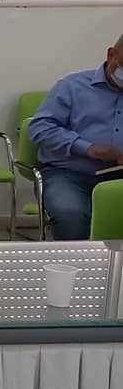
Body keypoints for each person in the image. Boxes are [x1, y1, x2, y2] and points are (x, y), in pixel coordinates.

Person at [29, 34, 123, 240]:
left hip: (119, 176)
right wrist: (87, 148)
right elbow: (40, 128)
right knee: (71, 215)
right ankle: (76, 261)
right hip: (69, 174)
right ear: (111, 55)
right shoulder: (72, 85)